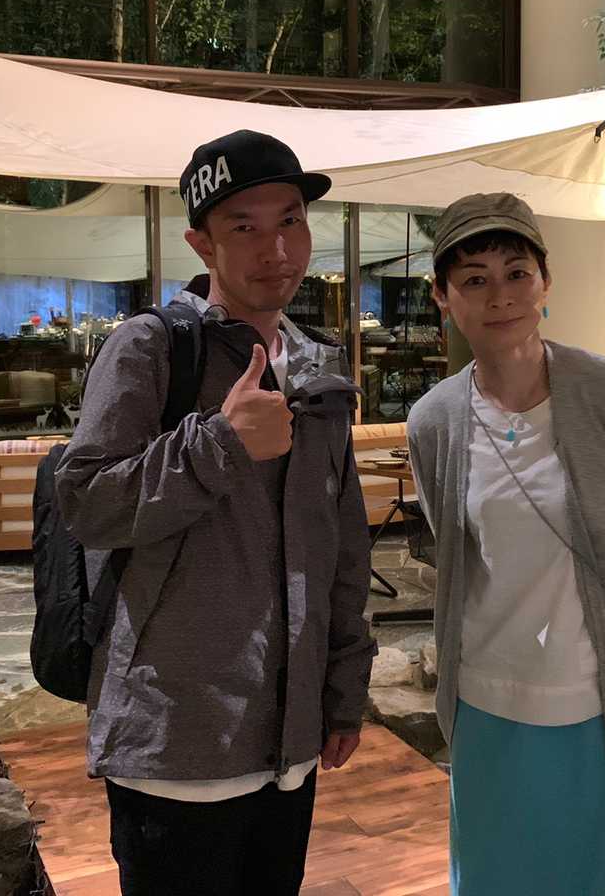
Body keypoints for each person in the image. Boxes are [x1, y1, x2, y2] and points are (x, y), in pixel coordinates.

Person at [55, 130, 376, 896]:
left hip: (288, 743)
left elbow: (341, 547)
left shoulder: (319, 369)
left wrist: (342, 691)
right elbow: (86, 503)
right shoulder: (151, 348)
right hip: (177, 742)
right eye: (244, 227)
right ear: (202, 242)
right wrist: (219, 442)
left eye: (290, 221)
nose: (277, 249)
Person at [406, 193, 605, 896]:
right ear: (443, 296)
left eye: (517, 272)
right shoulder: (434, 421)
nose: (500, 295)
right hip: (489, 698)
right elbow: (457, 552)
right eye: (474, 279)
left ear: (545, 281)